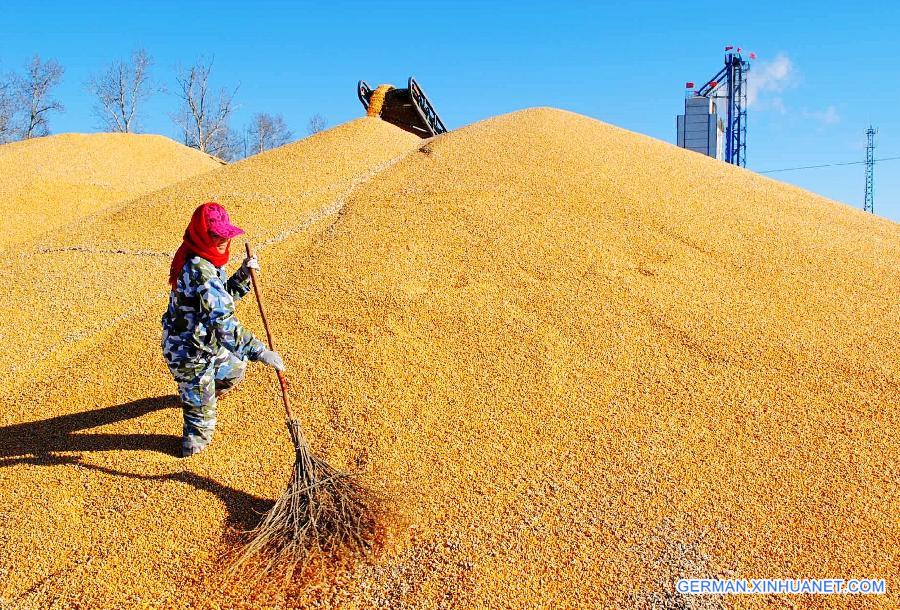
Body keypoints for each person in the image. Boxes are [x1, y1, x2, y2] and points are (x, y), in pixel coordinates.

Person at [161, 201, 285, 457]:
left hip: (206, 345)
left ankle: (201, 395)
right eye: (214, 235)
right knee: (200, 432)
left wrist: (242, 275)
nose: (221, 240)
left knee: (235, 368)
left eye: (224, 235)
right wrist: (259, 351)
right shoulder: (199, 269)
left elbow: (218, 299)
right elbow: (223, 324)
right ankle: (193, 432)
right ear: (202, 234)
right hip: (189, 354)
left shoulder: (203, 256)